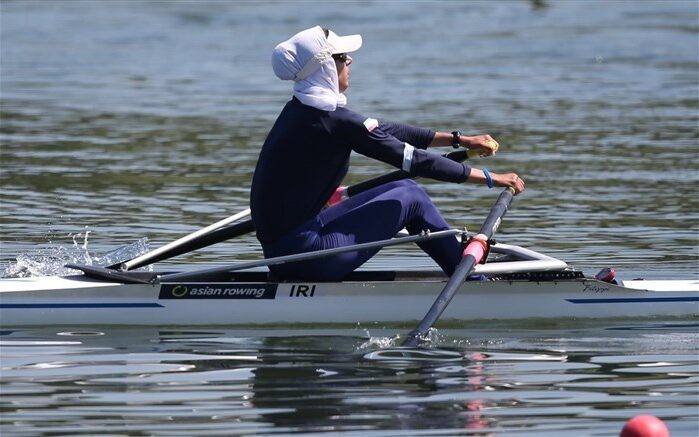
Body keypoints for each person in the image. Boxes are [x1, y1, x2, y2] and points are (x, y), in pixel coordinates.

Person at [250, 26, 525, 281]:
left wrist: (458, 139)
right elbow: (414, 160)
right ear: (324, 67)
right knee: (412, 197)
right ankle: (470, 281)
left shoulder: (303, 110)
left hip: (289, 250)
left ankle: (460, 268)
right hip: (306, 258)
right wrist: (492, 178)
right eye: (342, 57)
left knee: (403, 186)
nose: (350, 62)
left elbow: (383, 130)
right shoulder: (333, 121)